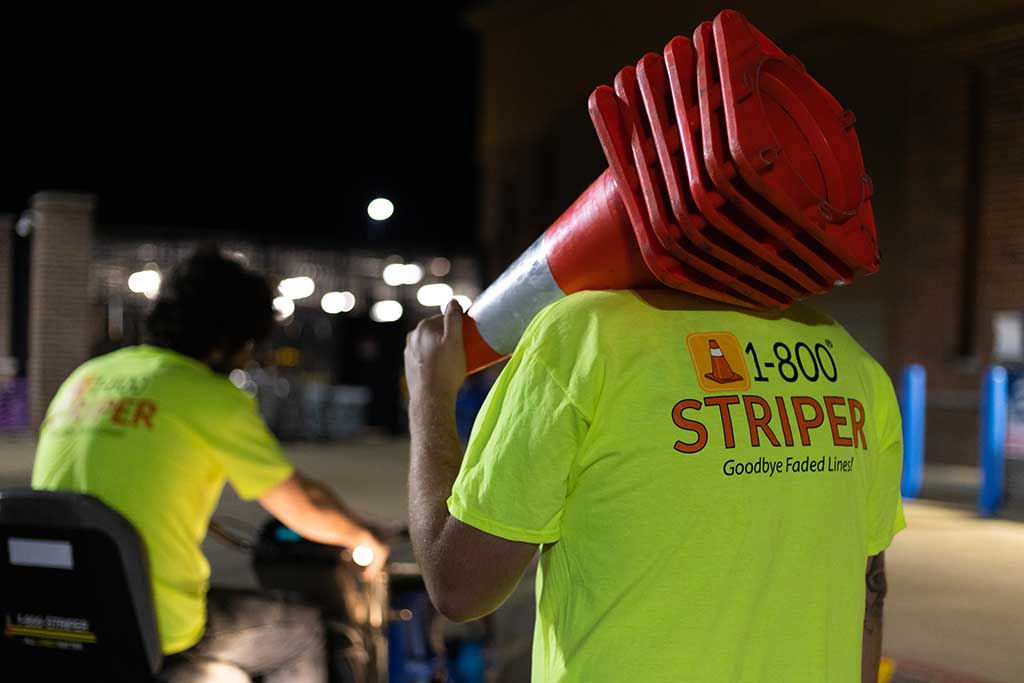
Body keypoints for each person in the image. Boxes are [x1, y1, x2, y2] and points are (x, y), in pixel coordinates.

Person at [405, 291, 904, 683]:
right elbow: (868, 596)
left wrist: (430, 394)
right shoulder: (854, 367)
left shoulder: (585, 336)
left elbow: (460, 586)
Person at [32, 247, 389, 683]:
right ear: (229, 341)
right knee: (300, 630)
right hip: (149, 627)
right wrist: (362, 537)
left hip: (56, 617)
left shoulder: (86, 378)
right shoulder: (210, 397)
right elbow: (304, 506)